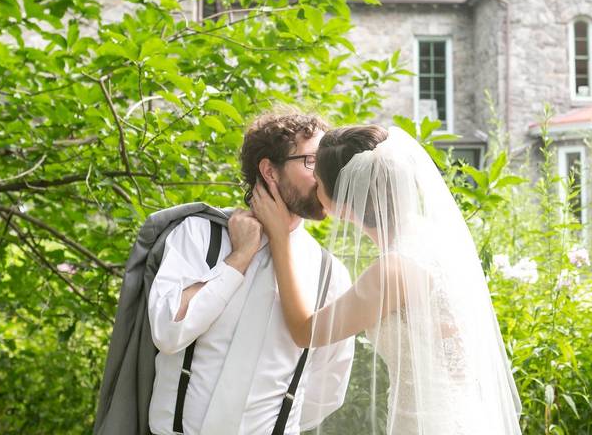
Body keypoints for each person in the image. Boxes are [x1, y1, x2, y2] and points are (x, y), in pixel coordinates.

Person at [251, 125, 522, 435]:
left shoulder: (392, 271)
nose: (313, 182)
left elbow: (305, 332)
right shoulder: (431, 238)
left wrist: (280, 240)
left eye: (319, 176)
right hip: (460, 413)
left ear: (342, 201)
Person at [146, 112, 354, 435]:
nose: (324, 175)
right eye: (312, 161)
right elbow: (168, 330)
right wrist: (239, 258)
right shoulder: (199, 235)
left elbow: (327, 389)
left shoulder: (330, 275)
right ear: (270, 170)